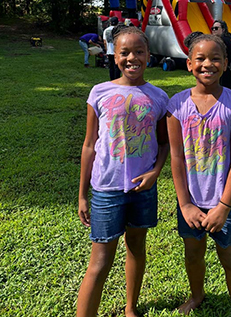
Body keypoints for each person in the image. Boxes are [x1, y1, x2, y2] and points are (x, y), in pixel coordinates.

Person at [75, 27, 169, 317]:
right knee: (100, 260)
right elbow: (89, 144)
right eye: (125, 53)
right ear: (114, 56)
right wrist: (82, 195)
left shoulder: (159, 97)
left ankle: (131, 309)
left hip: (143, 190)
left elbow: (164, 142)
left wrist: (155, 172)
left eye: (139, 52)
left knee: (137, 248)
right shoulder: (99, 92)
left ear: (148, 56)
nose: (132, 58)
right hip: (106, 189)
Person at [166, 34, 231, 317]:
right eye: (200, 58)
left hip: (227, 201)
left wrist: (224, 206)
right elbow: (176, 157)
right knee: (193, 253)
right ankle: (197, 296)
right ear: (189, 64)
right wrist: (185, 203)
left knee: (229, 256)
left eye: (216, 58)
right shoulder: (176, 105)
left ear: (226, 64)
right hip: (191, 200)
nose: (208, 64)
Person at [209, 20, 231, 91]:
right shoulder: (225, 40)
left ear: (223, 29)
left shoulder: (223, 41)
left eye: (216, 28)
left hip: (226, 73)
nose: (214, 30)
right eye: (212, 28)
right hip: (226, 73)